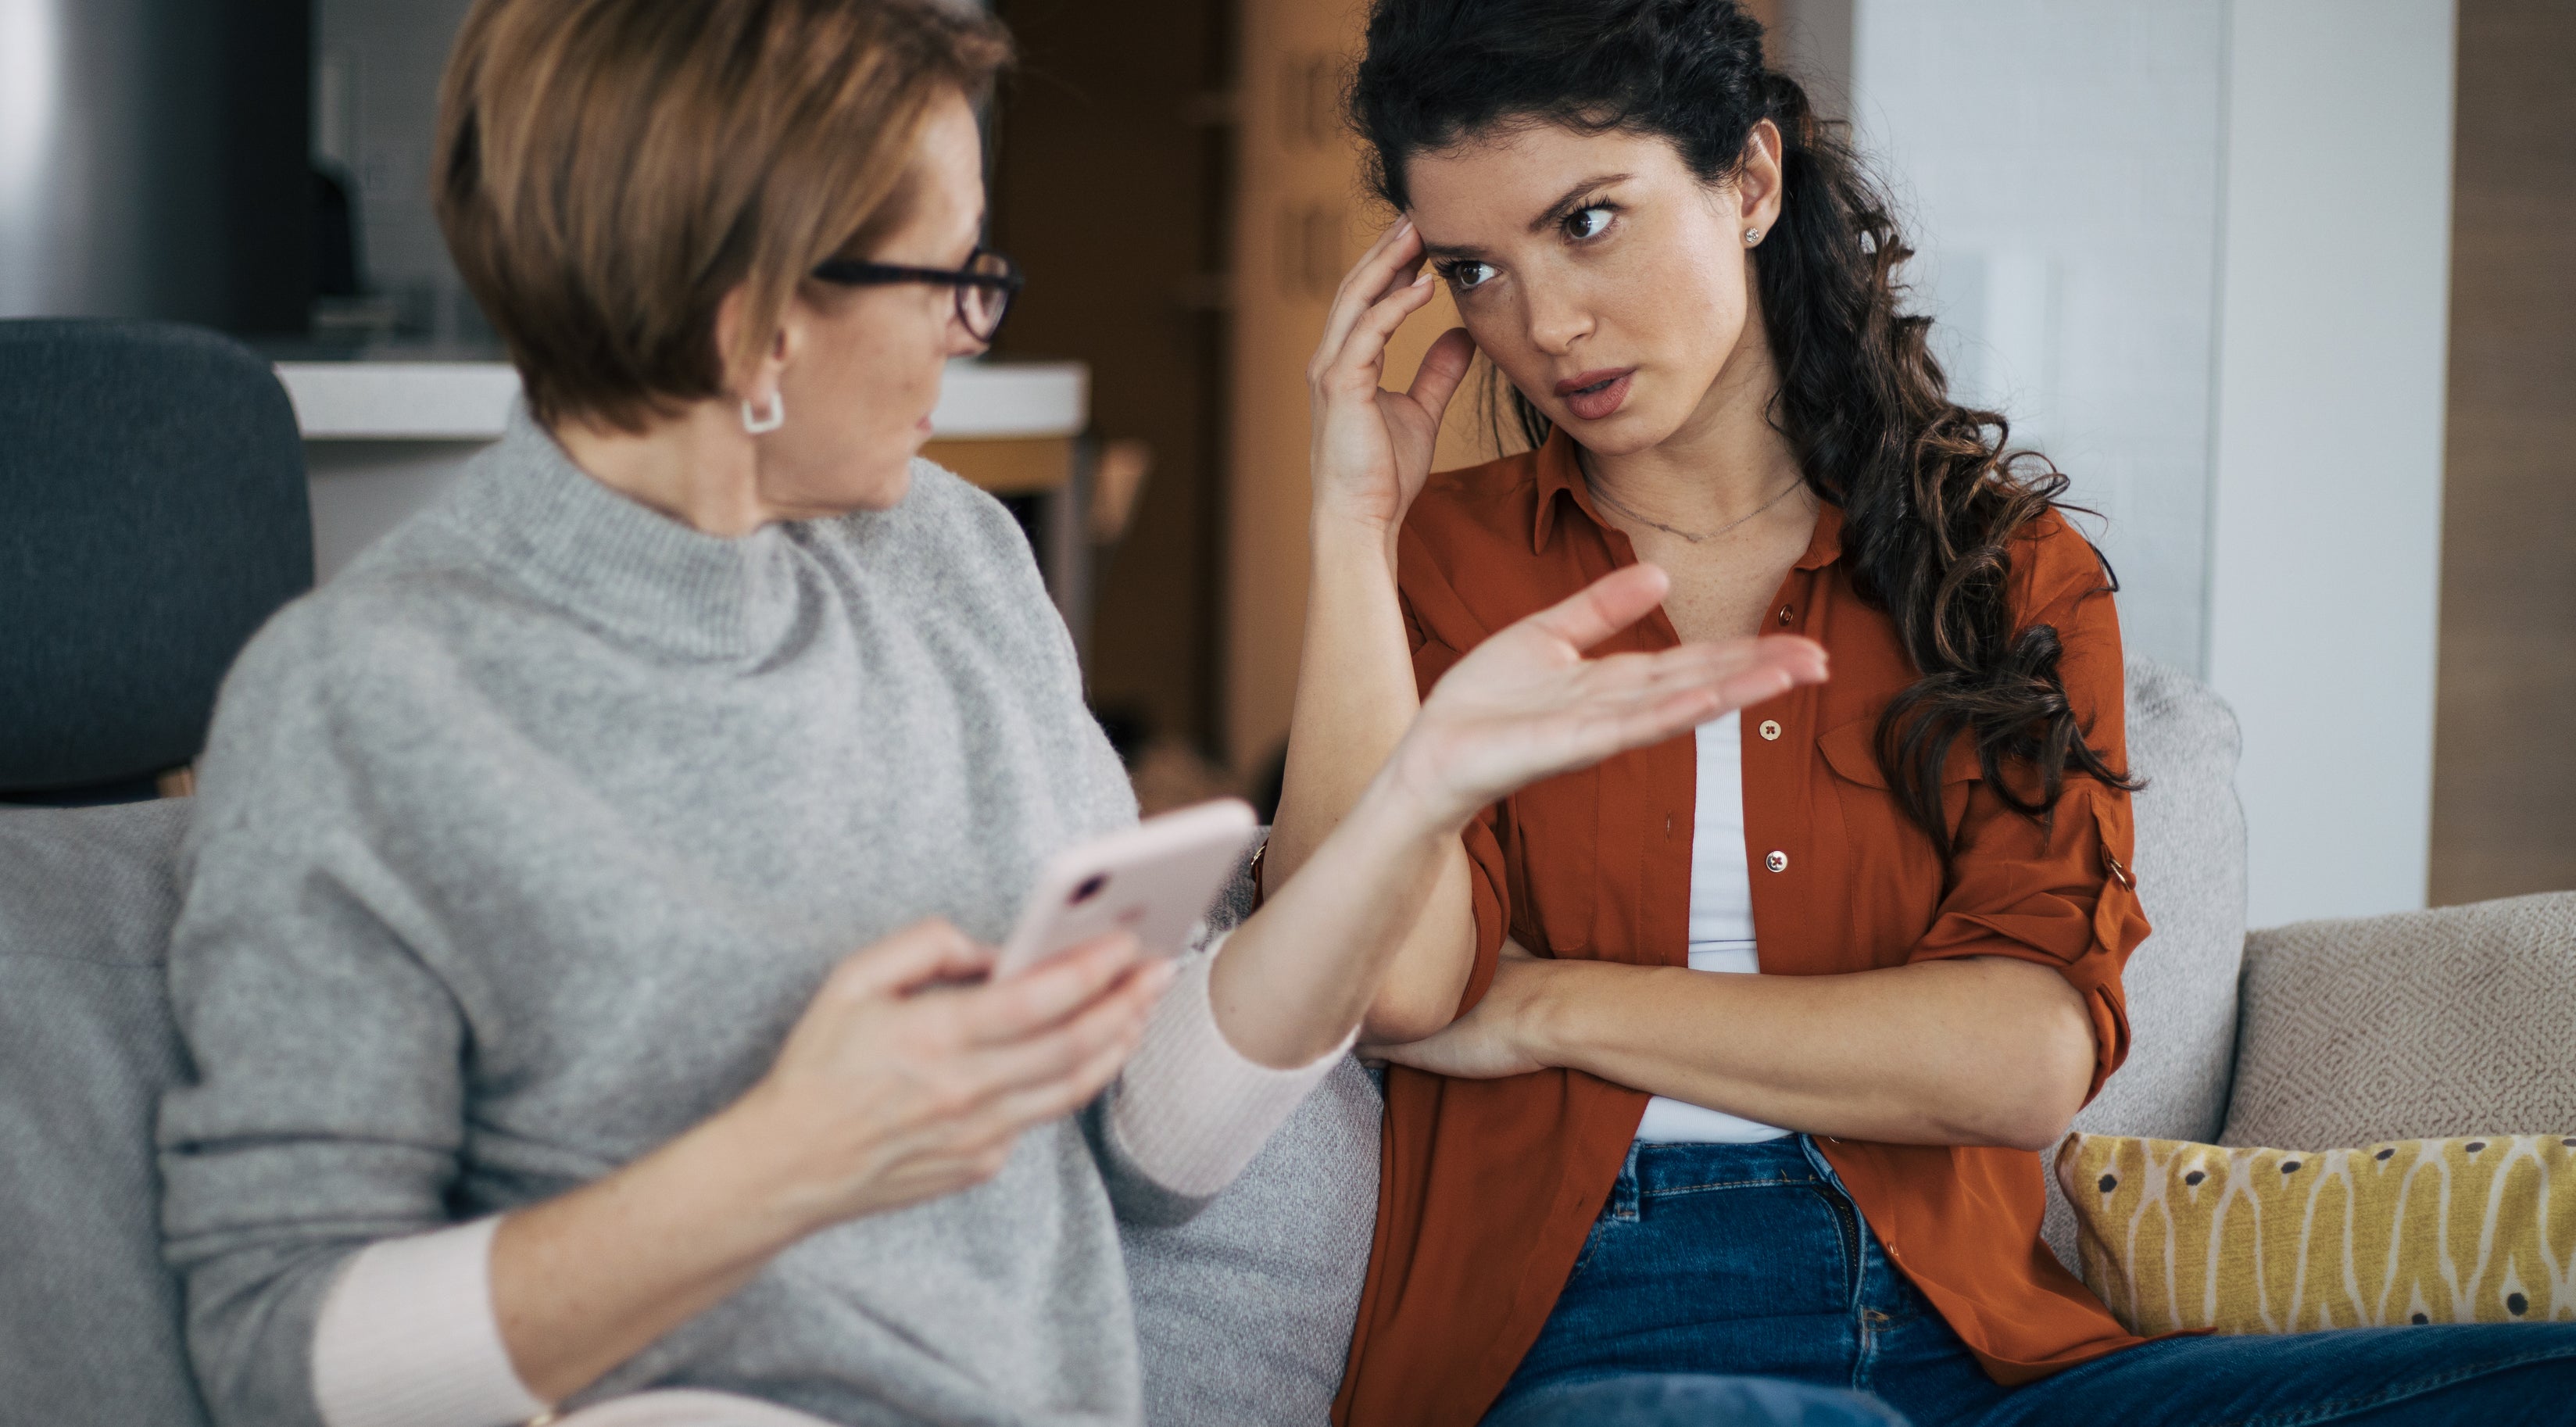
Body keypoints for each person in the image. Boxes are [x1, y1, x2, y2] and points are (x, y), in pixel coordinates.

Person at [153, 3, 1834, 1426]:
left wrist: (1414, 801)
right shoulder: (371, 699)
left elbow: (1147, 1151)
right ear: (755, 319)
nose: (976, 332)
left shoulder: (950, 559)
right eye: (951, 279)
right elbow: (273, 1345)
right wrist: (790, 1157)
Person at [1267, 2, 2576, 1424]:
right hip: (1600, 1343)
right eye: (1477, 269)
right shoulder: (1449, 559)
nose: (1545, 321)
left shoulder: (2006, 569)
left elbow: (2022, 1059)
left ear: (1750, 181)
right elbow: (1389, 987)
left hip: (1988, 1351)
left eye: (1588, 222)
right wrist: (1351, 520)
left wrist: (1545, 1002)